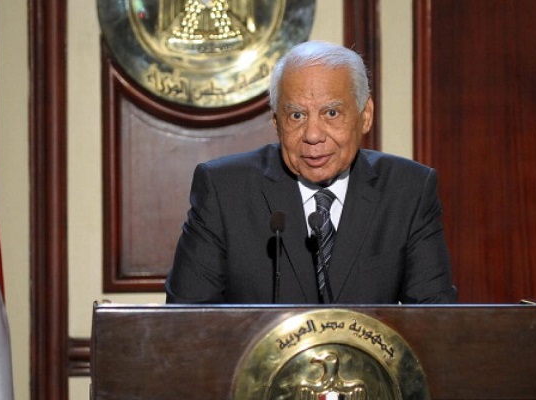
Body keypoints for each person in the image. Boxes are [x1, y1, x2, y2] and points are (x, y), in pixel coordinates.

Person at [165, 40, 457, 304]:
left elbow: (435, 323)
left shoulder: (408, 191)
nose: (313, 135)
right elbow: (186, 323)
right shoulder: (224, 190)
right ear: (277, 123)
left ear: (365, 116)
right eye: (297, 115)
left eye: (331, 113)